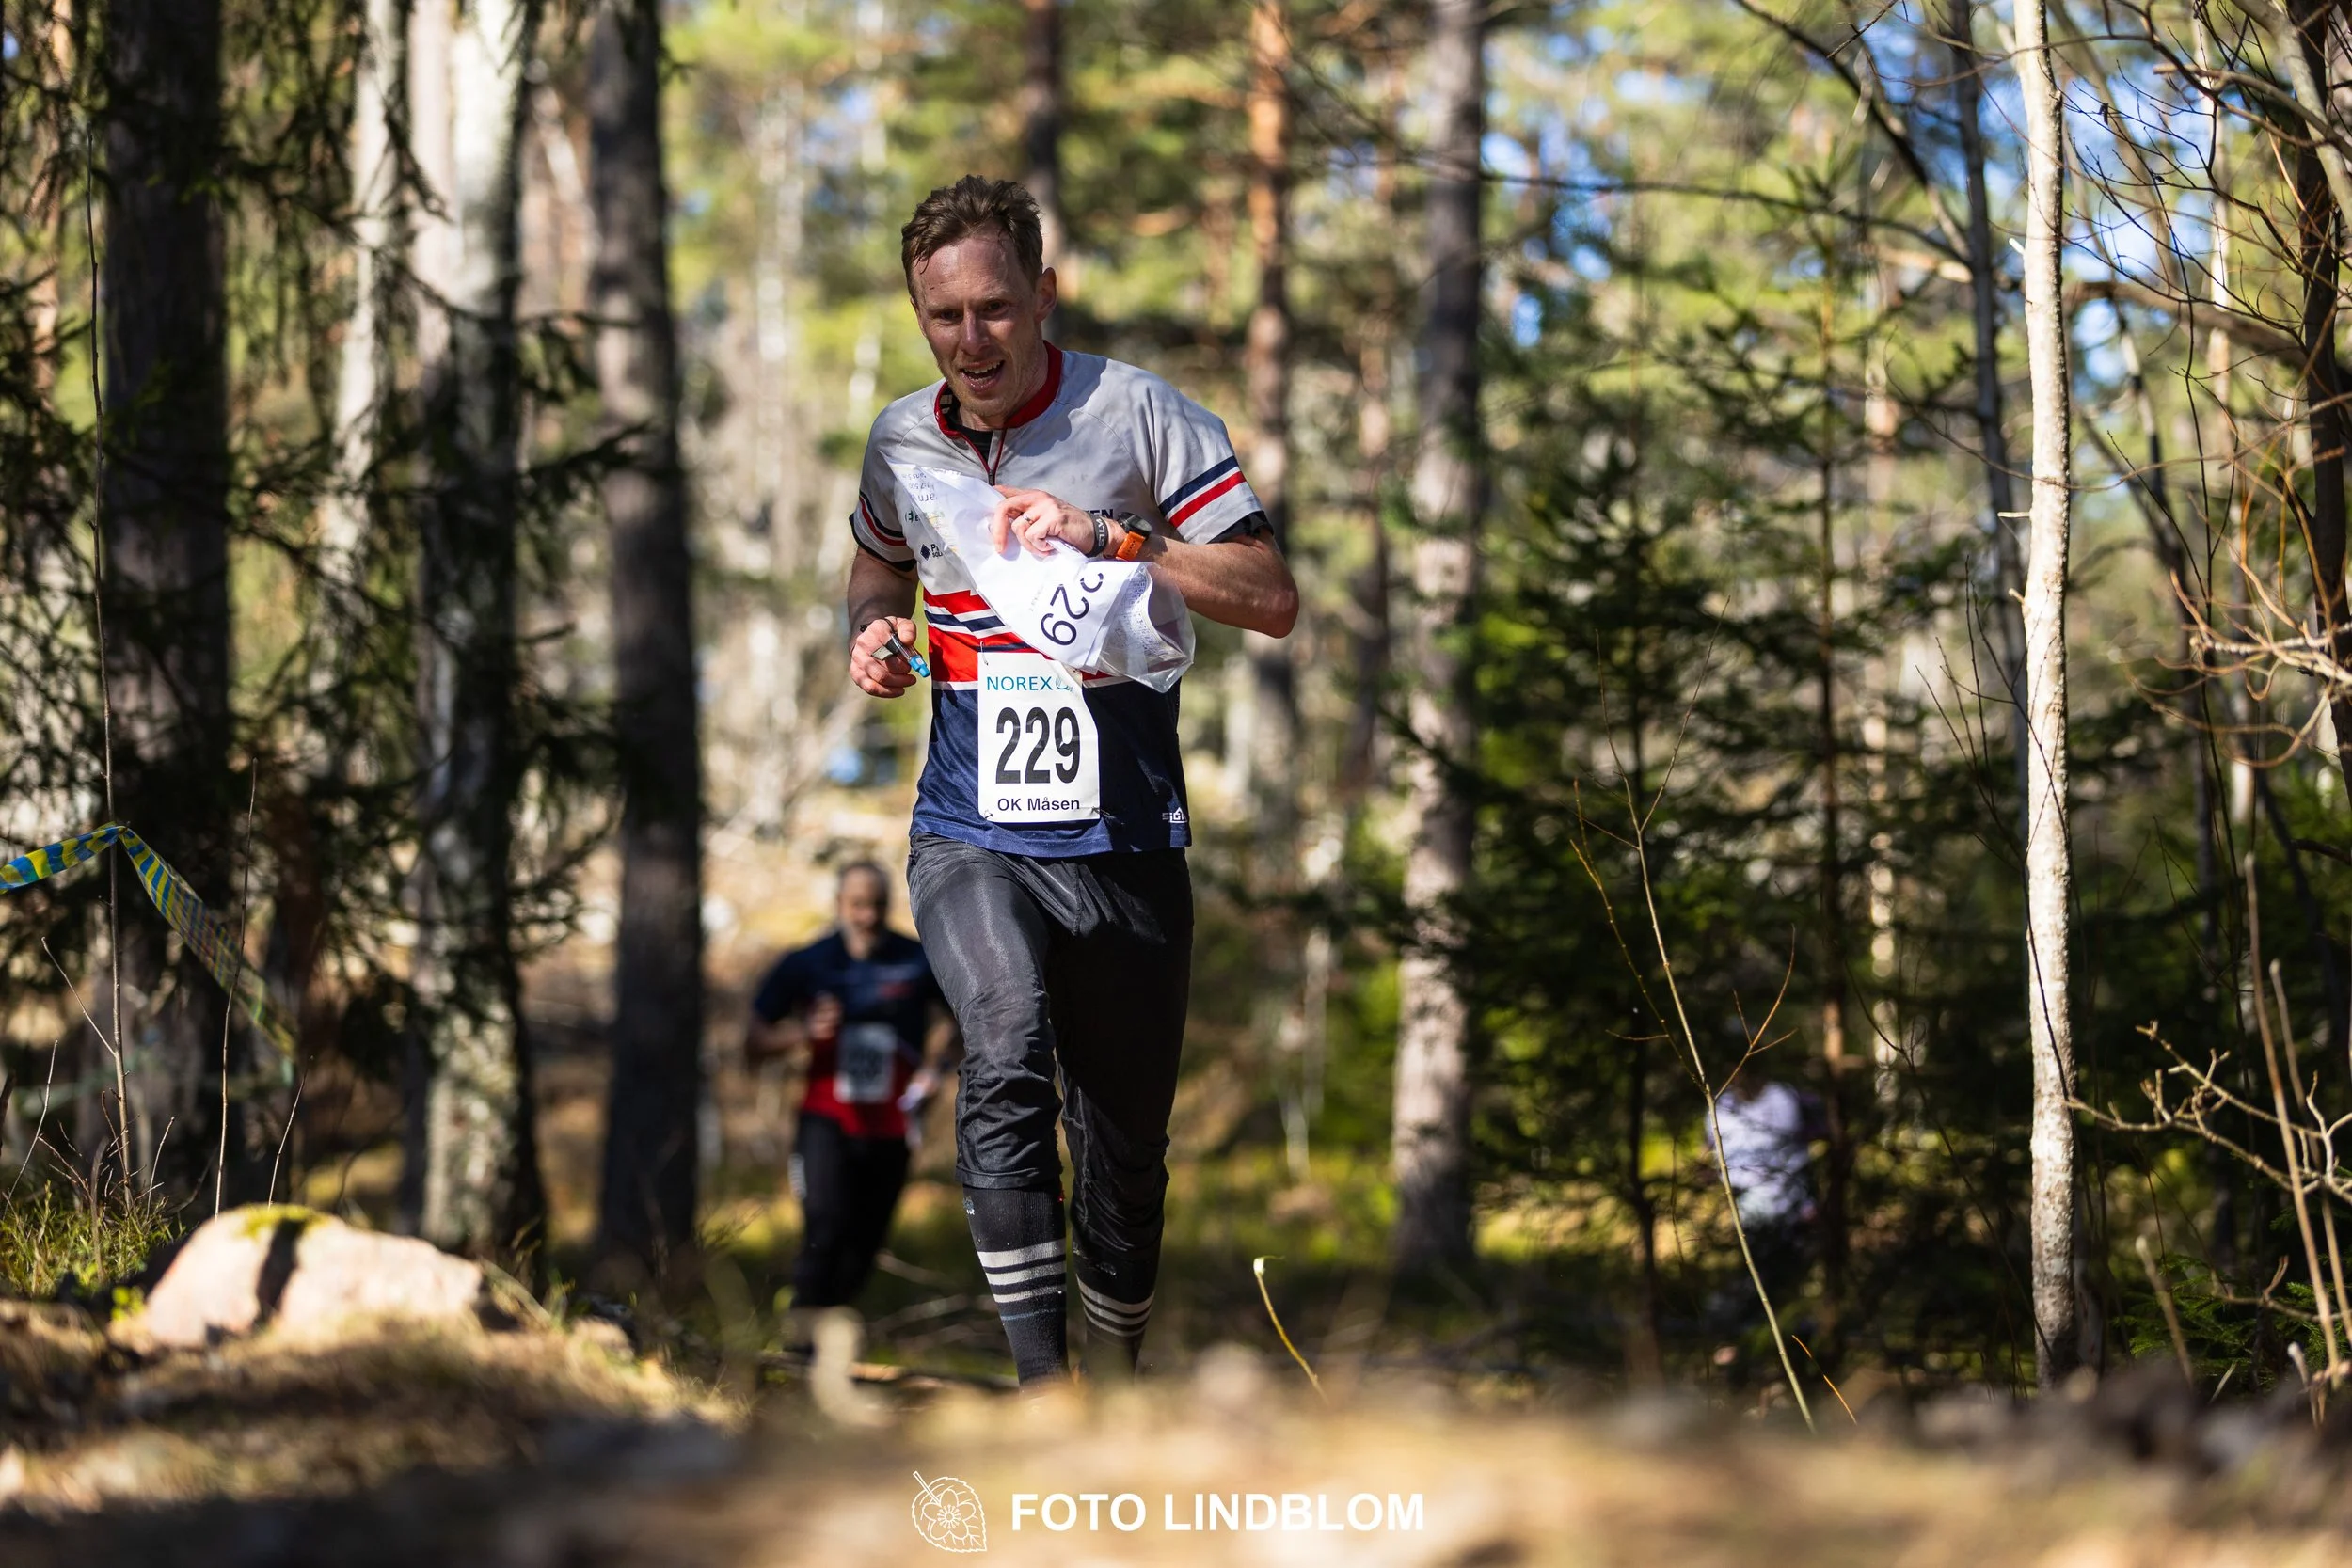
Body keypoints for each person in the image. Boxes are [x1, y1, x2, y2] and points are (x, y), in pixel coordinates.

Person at [842, 176, 1298, 1386]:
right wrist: (876, 634)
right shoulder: (902, 437)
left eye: (996, 309)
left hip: (1125, 830)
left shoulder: (1142, 417)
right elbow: (876, 567)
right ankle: (1043, 1397)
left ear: (1043, 294)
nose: (971, 341)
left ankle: (1115, 1375)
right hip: (966, 821)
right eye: (943, 316)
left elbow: (1271, 597)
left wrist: (1120, 539)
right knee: (1000, 1047)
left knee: (1125, 1146)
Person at [746, 860, 958, 1419]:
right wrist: (801, 1033)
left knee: (865, 1241)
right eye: (855, 905)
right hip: (825, 1120)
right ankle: (799, 1358)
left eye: (875, 906)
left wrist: (934, 1070)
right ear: (838, 905)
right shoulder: (807, 962)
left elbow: (958, 1018)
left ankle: (829, 1350)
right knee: (824, 1227)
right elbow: (753, 1039)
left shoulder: (915, 958)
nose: (865, 916)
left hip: (891, 1126)